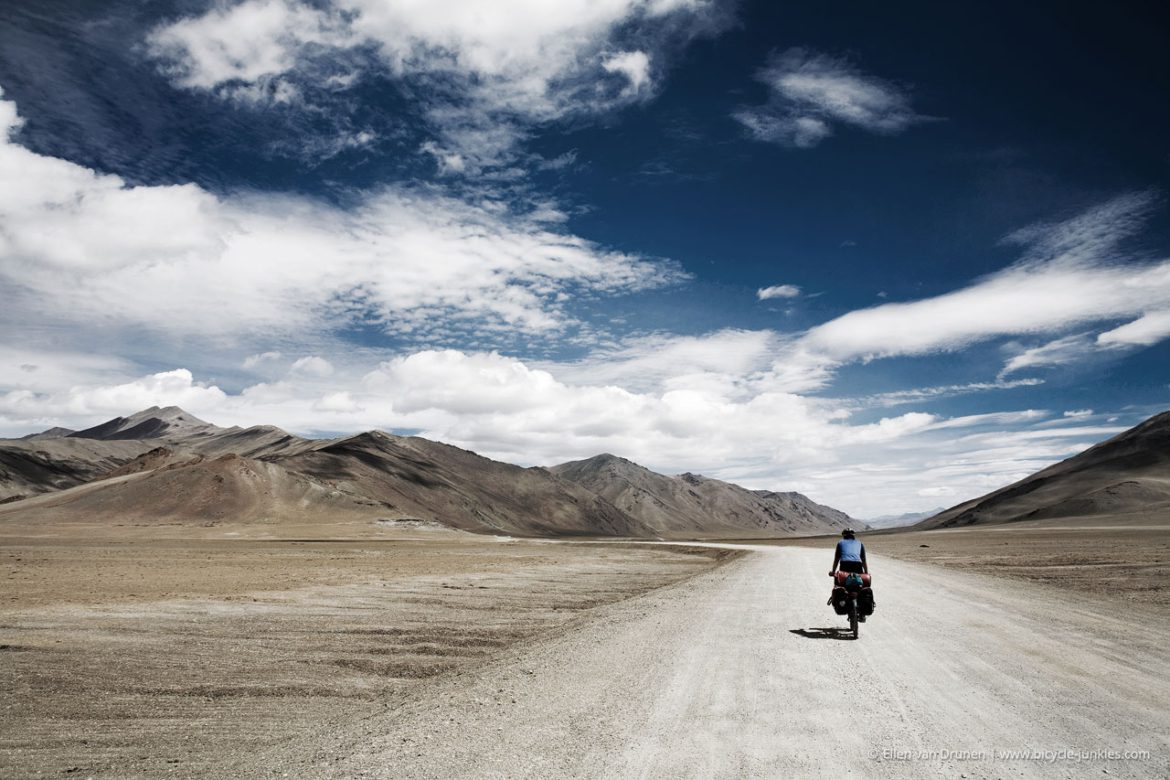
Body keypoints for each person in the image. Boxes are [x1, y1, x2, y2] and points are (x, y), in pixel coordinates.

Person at [829, 528, 871, 621]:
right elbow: (863, 560)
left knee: (841, 584)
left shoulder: (840, 543)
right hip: (857, 565)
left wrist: (833, 571)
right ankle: (862, 613)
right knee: (859, 584)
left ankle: (841, 602)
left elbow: (837, 559)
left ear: (844, 535)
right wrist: (866, 572)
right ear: (853, 535)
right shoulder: (860, 543)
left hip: (845, 565)